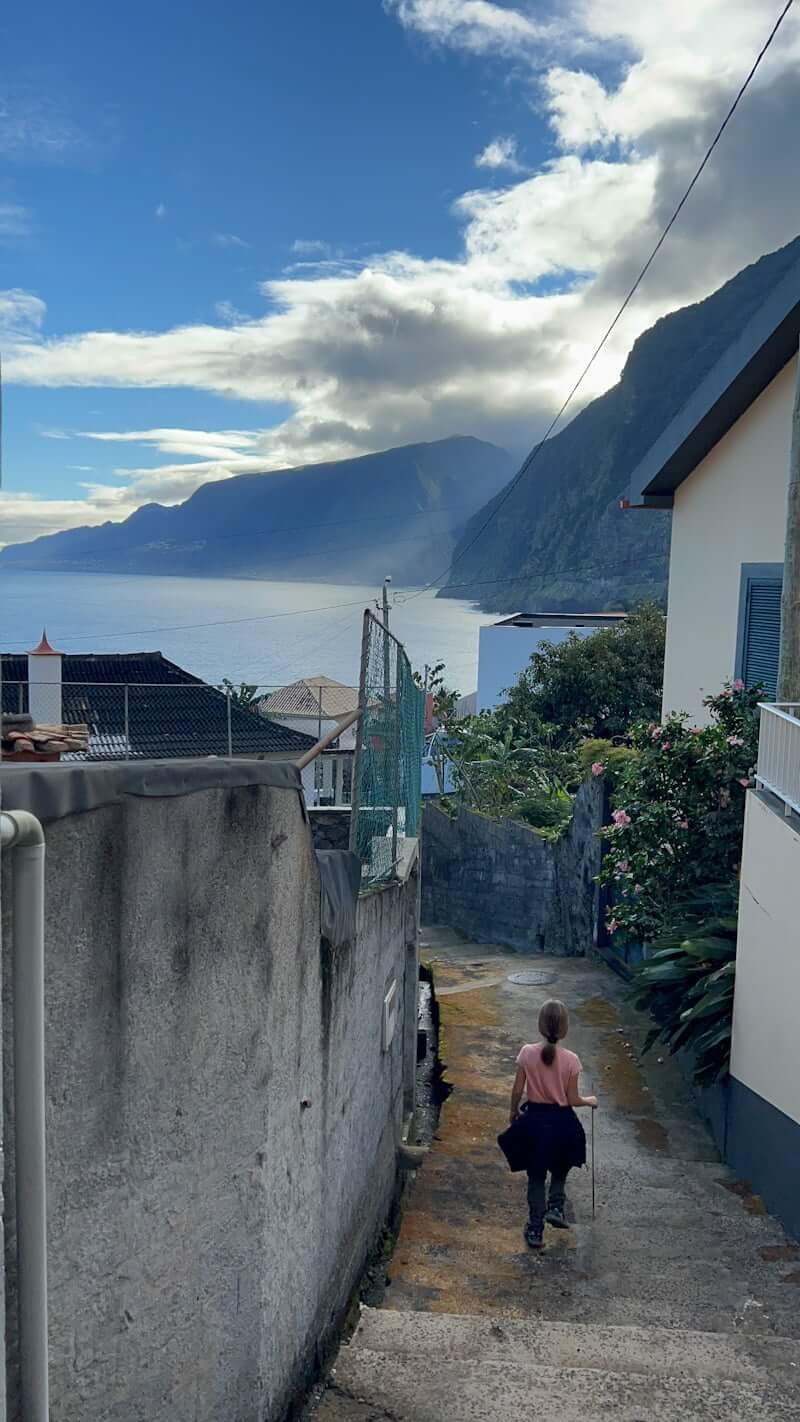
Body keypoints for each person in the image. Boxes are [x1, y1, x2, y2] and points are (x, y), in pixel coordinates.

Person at [503, 999, 597, 1250]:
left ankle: (535, 1229)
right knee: (560, 1168)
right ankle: (556, 1206)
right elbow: (572, 1099)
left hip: (535, 1121)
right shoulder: (571, 1060)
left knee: (535, 1177)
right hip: (562, 1123)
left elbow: (516, 1090)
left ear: (540, 1025)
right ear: (564, 1028)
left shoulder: (526, 1053)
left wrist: (513, 1112)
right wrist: (590, 1101)